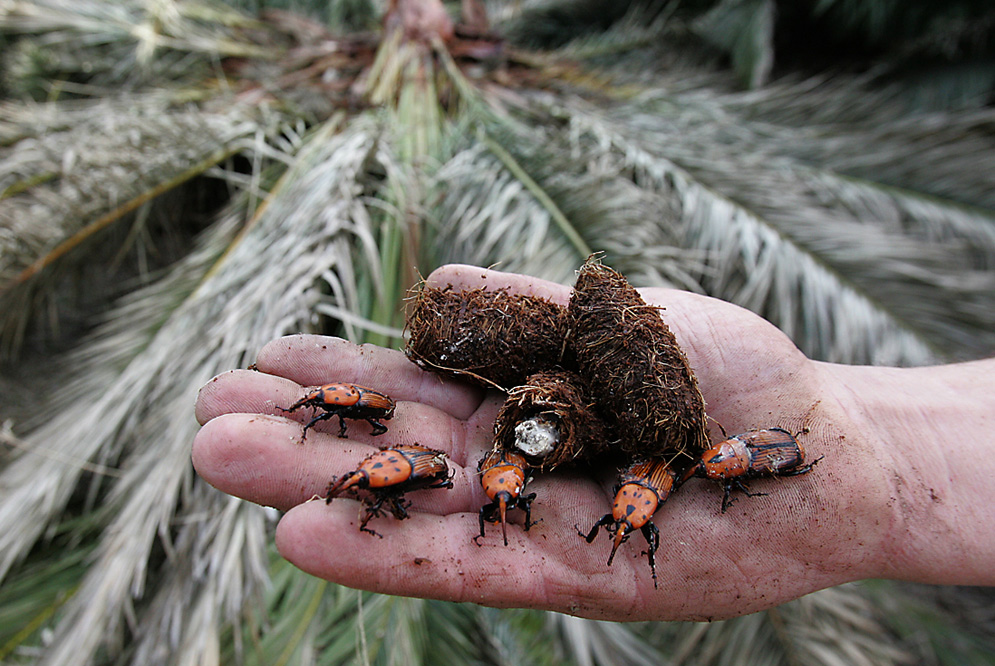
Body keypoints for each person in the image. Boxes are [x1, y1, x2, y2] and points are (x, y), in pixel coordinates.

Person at [192, 264, 995, 622]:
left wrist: (875, 447)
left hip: (602, 441)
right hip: (544, 437)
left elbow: (653, 474)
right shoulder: (551, 463)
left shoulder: (667, 460)